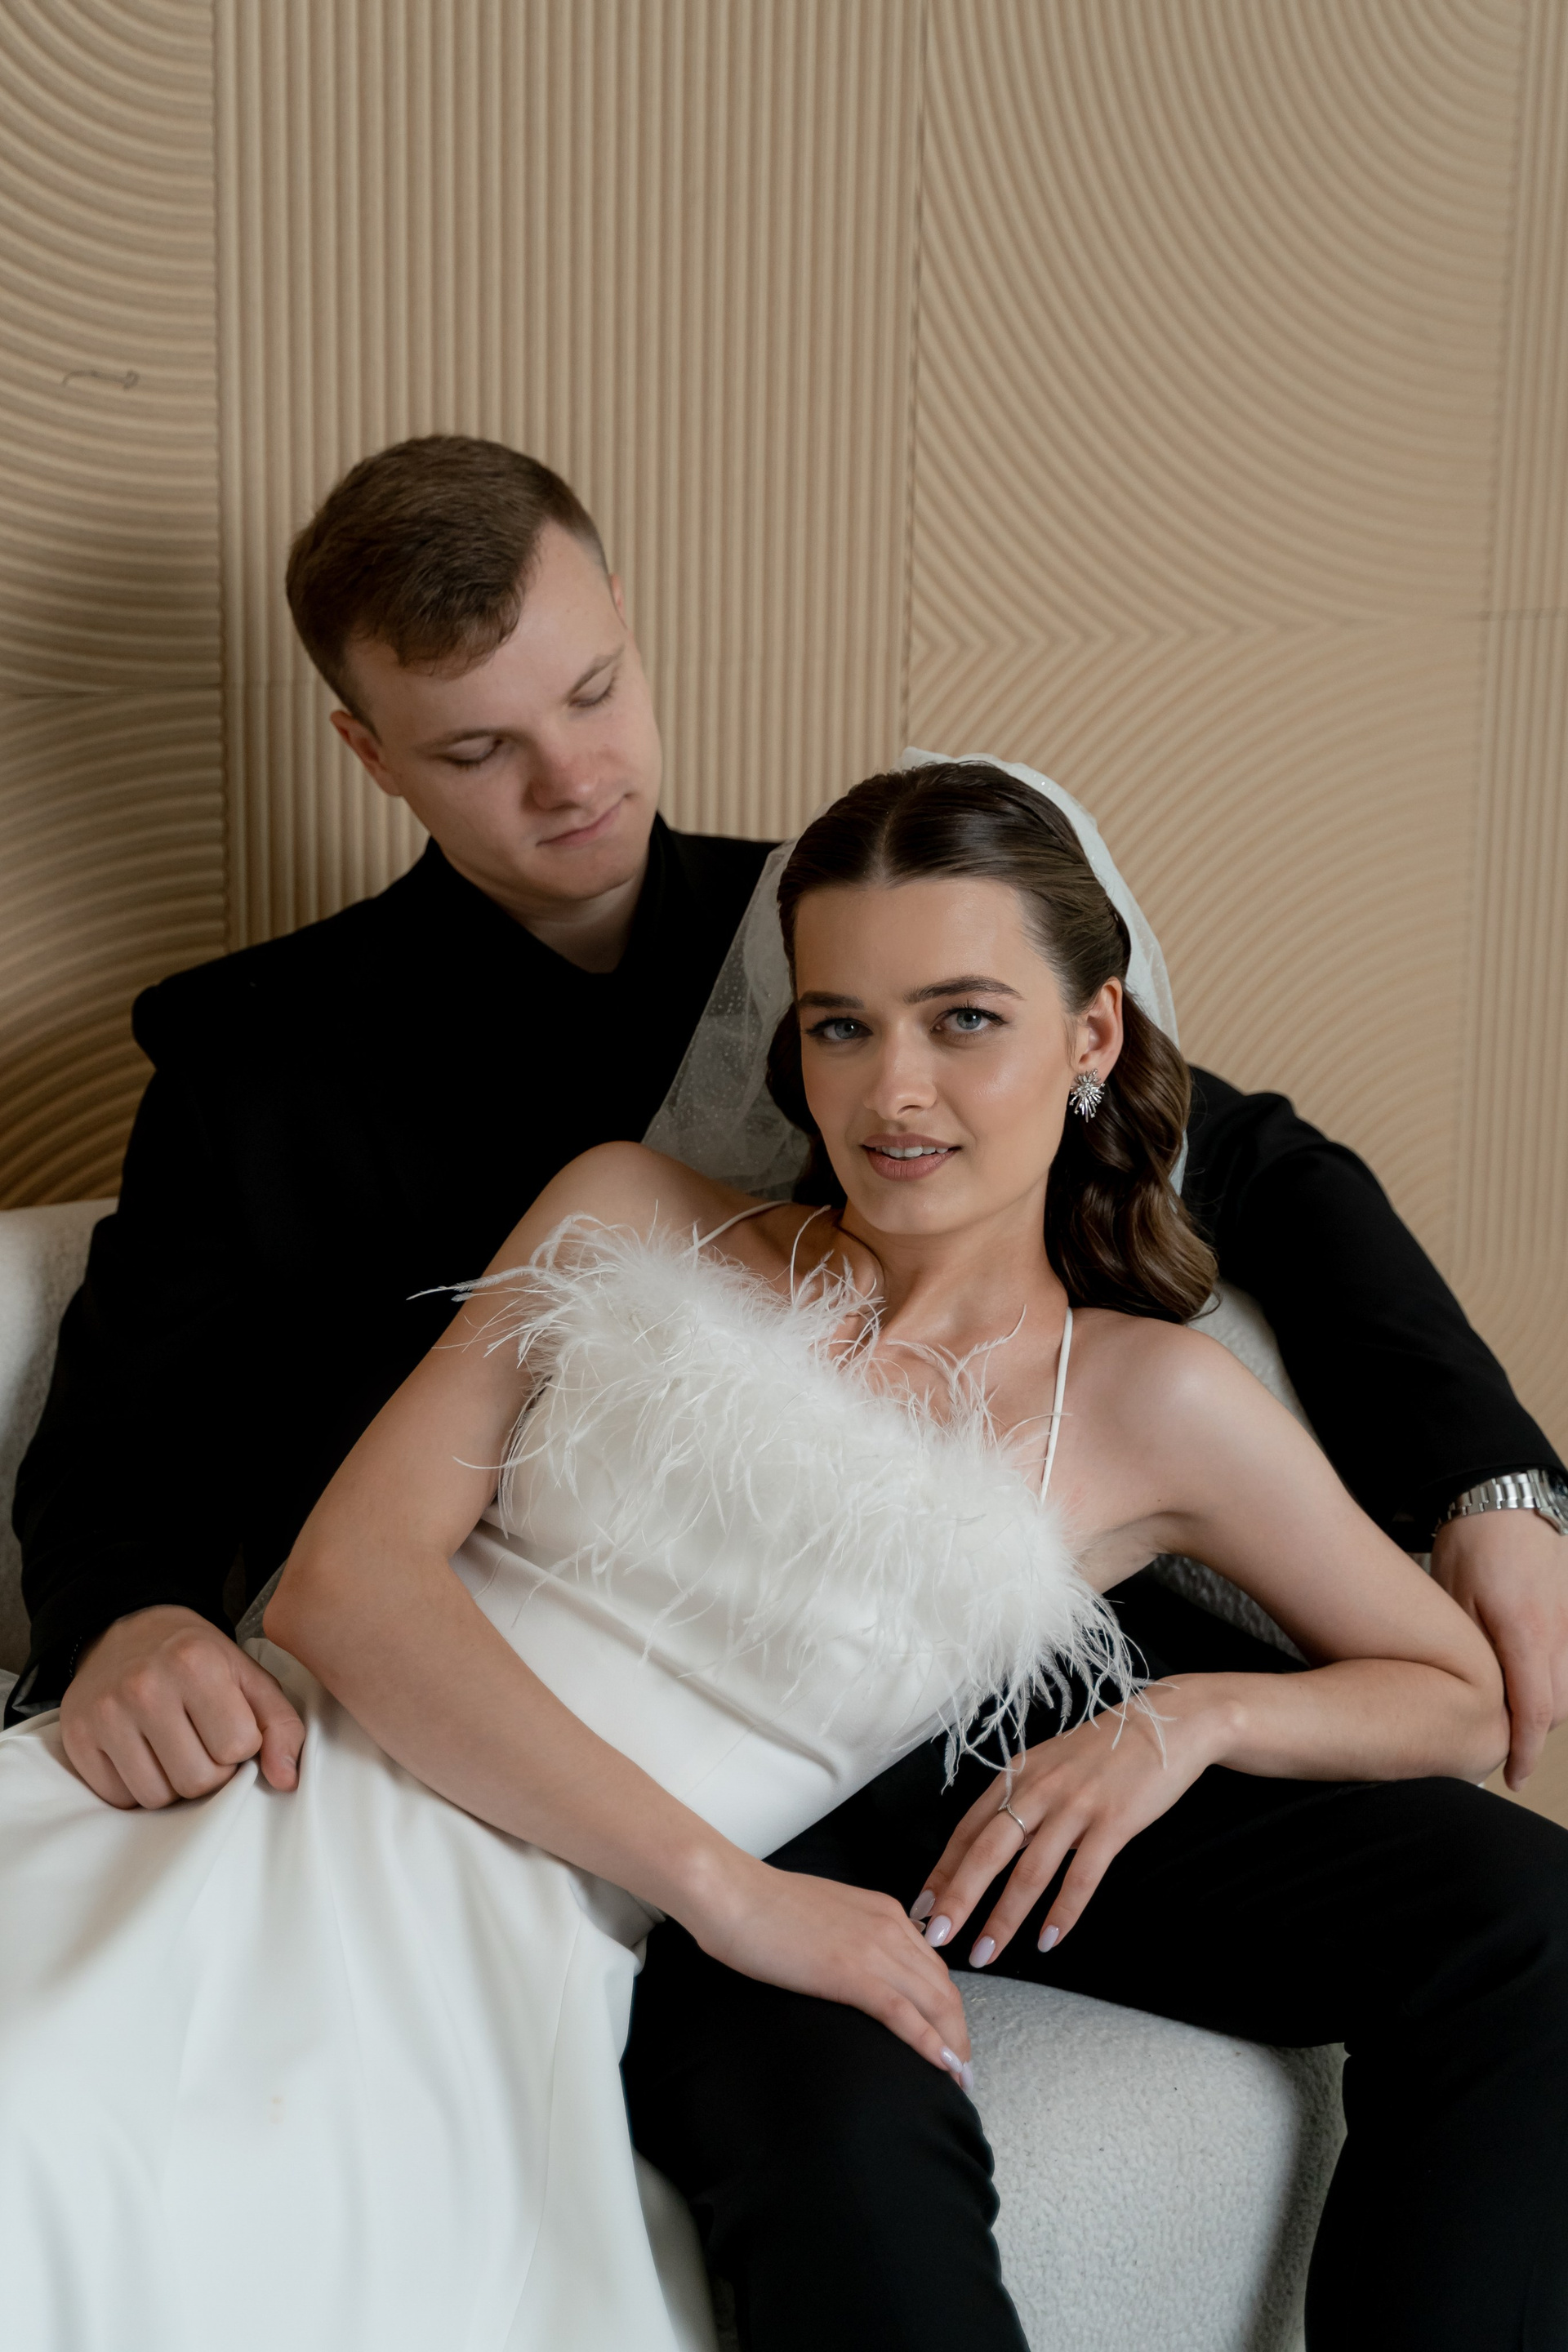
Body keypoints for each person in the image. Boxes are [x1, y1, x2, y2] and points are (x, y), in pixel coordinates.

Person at [7, 438, 1566, 2340]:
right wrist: (123, 1620)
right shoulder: (272, 1062)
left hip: (964, 1670)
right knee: (837, 2154)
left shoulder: (850, 903)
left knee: (1527, 1921)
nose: (572, 777)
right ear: (372, 753)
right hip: (538, 1727)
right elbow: (142, 1444)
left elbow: (1273, 1176)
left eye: (593, 693)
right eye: (480, 747)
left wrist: (1488, 1486)